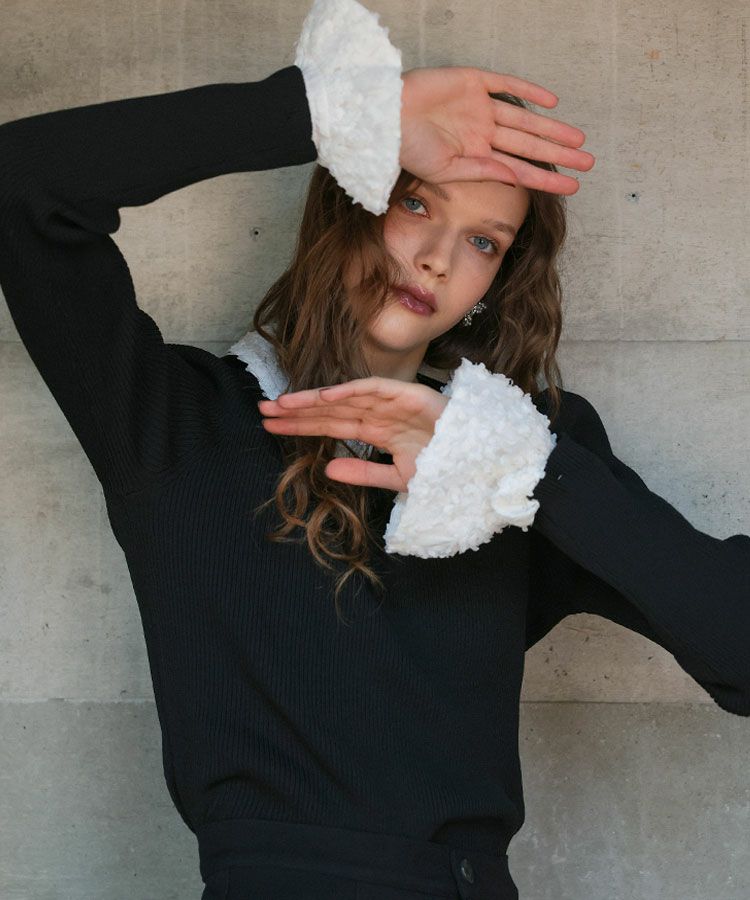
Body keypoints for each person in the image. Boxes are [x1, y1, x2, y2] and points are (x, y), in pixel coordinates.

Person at [0, 0, 748, 897]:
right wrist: (334, 111)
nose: (436, 257)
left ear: (492, 284)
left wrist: (529, 469)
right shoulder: (174, 420)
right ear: (351, 200)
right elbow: (22, 185)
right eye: (414, 200)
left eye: (483, 242)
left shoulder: (525, 455)